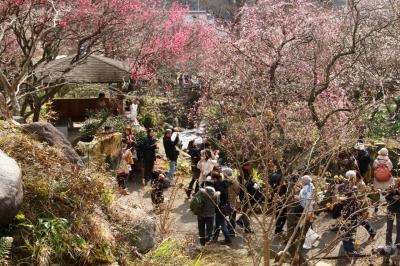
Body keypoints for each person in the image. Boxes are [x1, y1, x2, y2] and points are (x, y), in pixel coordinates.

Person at [212, 173, 232, 245]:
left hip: (219, 207)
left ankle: (228, 239)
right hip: (224, 206)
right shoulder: (224, 184)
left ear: (215, 178)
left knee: (222, 224)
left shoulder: (217, 186)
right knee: (218, 223)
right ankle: (214, 238)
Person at [269, 165, 288, 235]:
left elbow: (270, 186)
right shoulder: (280, 183)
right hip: (280, 202)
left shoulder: (275, 176)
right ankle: (278, 230)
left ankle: (278, 229)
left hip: (278, 201)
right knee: (281, 216)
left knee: (279, 216)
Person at [224, 168, 240, 237]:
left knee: (225, 217)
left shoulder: (225, 181)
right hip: (234, 201)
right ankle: (232, 231)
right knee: (232, 217)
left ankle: (229, 232)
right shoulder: (236, 180)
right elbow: (238, 191)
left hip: (227, 201)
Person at [385, 179, 400, 247]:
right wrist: (393, 197)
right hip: (391, 210)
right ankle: (388, 244)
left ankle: (398, 243)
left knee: (399, 227)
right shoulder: (392, 187)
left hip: (399, 211)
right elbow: (386, 197)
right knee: (389, 227)